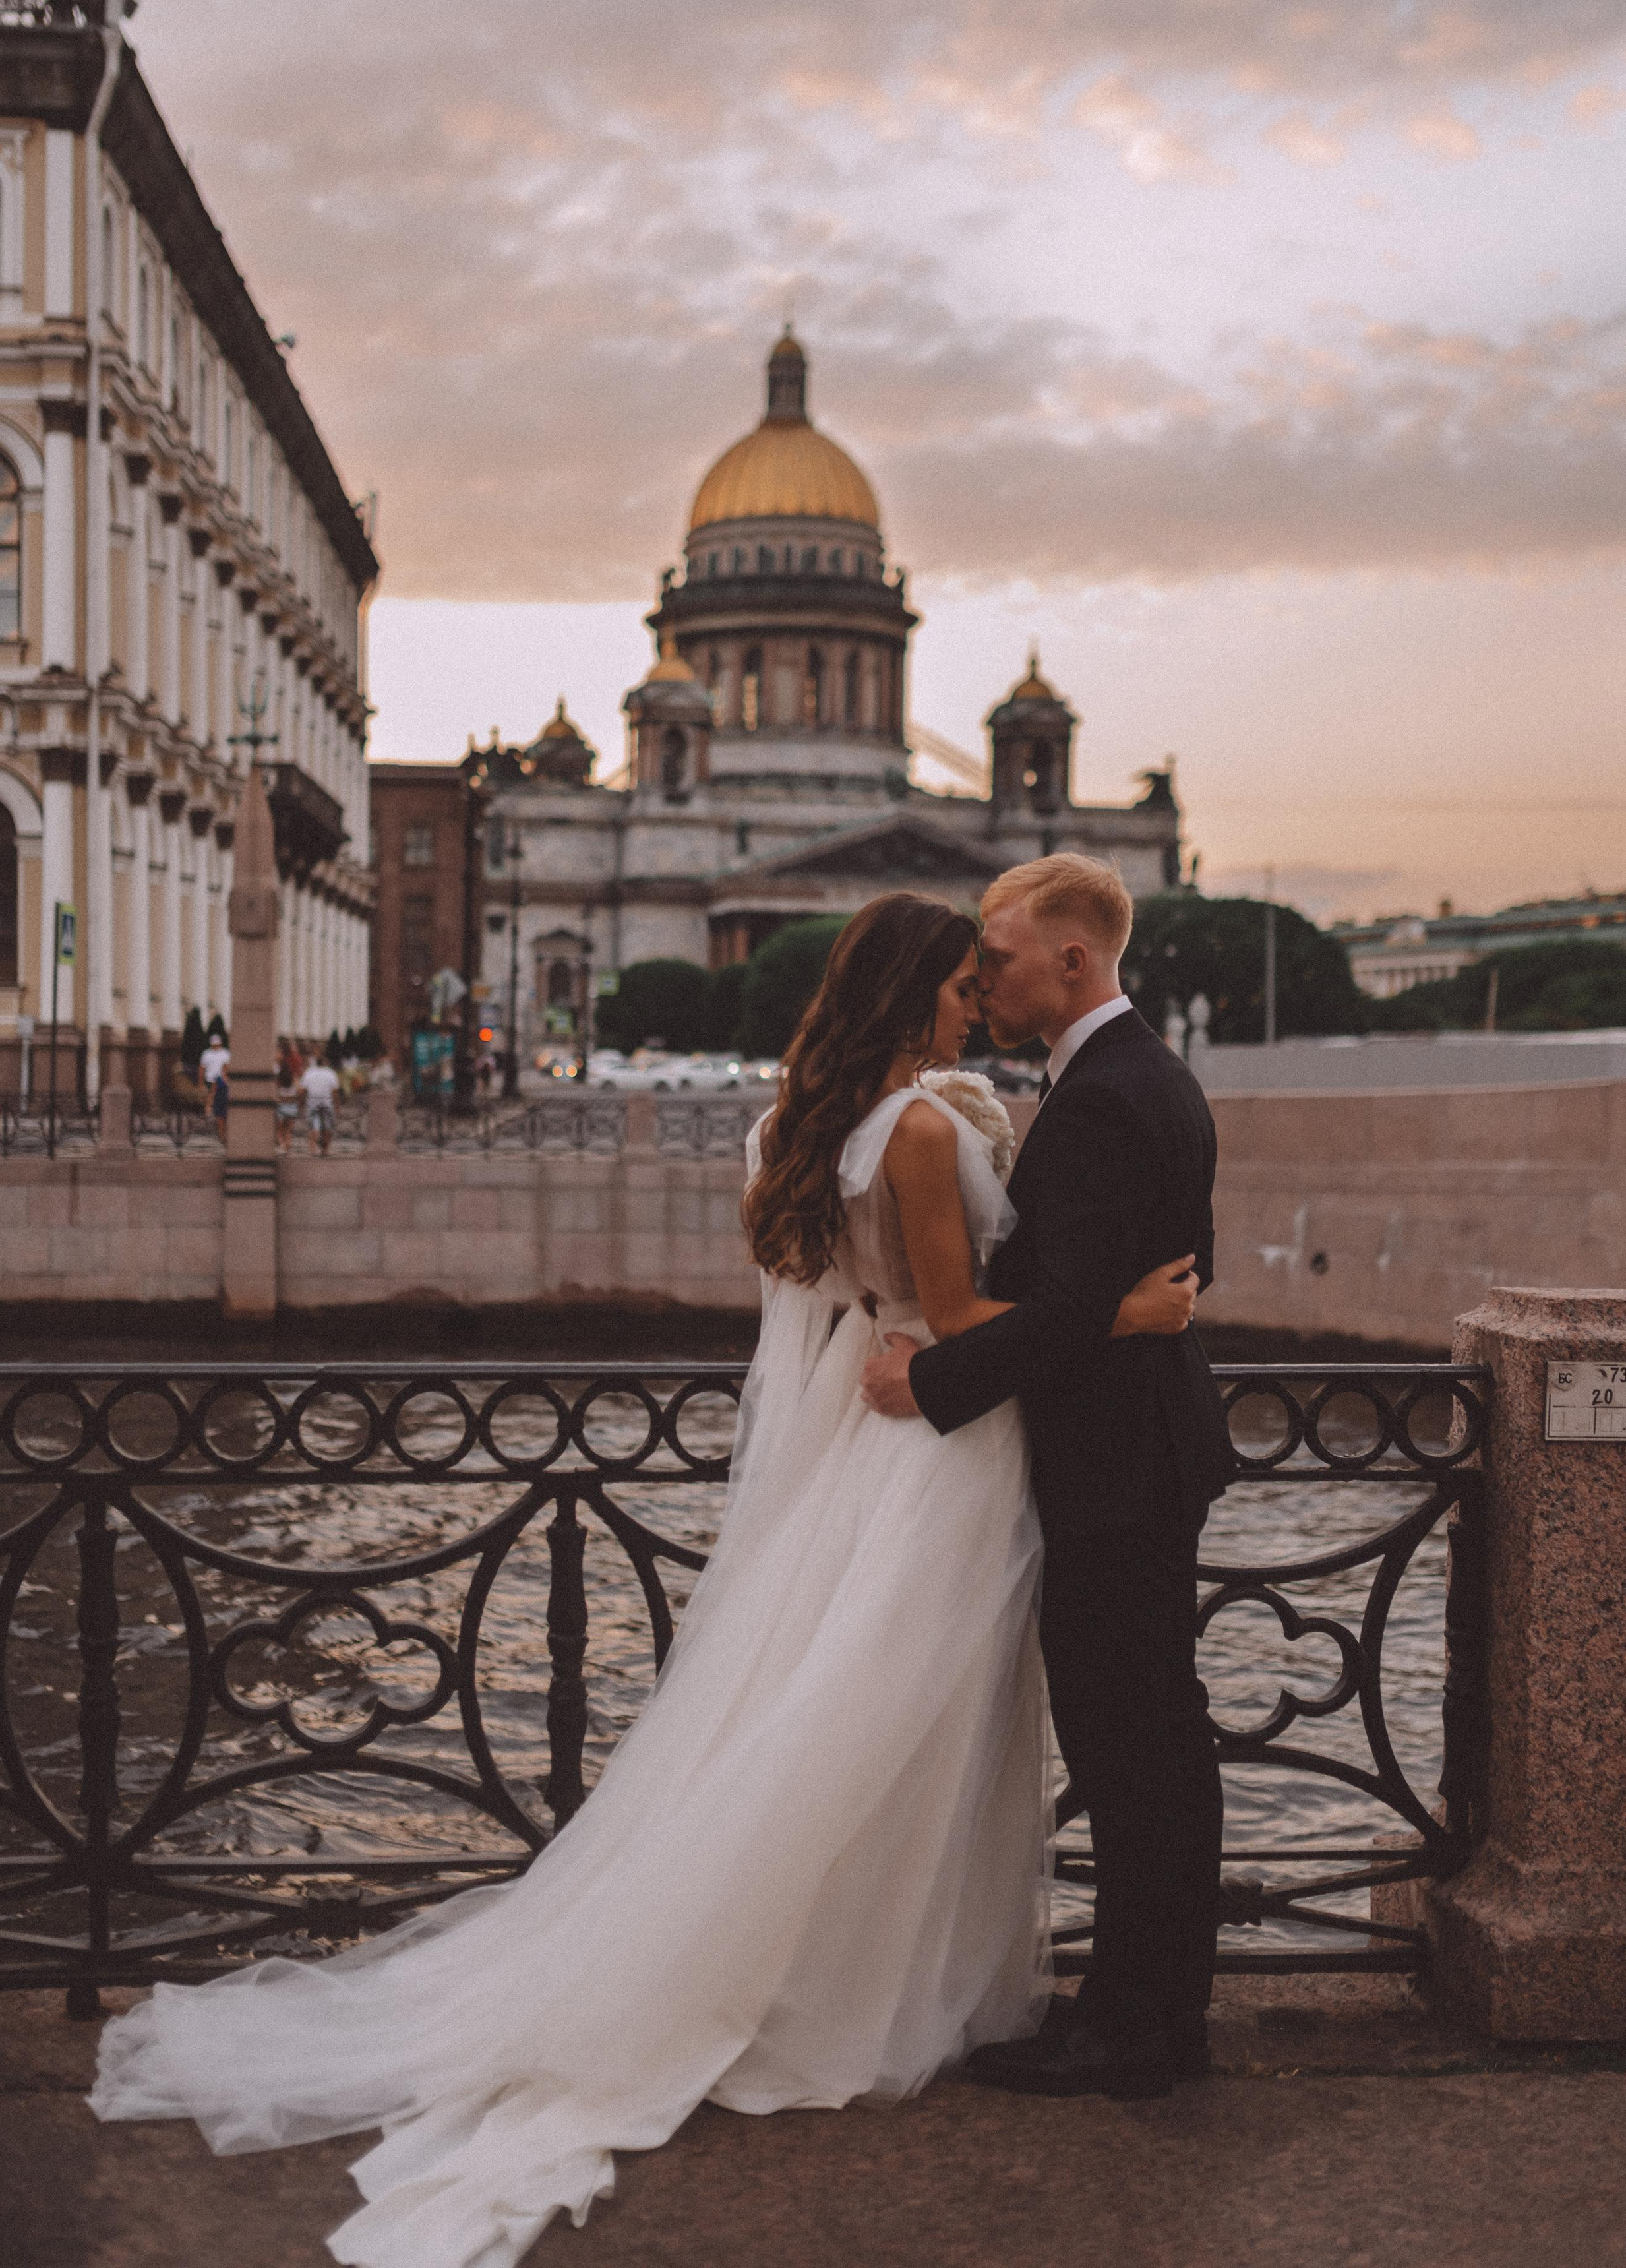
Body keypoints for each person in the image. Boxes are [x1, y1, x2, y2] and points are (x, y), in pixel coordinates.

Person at [89, 890, 1195, 2267]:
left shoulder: (845, 1116)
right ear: (914, 991)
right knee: (890, 1723)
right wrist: (1124, 1309)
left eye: (990, 976)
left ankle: (877, 1974)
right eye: (960, 984)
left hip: (893, 1433)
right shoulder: (915, 1127)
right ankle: (886, 1986)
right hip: (932, 1445)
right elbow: (960, 1316)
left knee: (868, 1714)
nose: (978, 997)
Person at [863, 853, 1237, 2099]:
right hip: (1140, 1448)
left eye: (1005, 954)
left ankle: (1129, 2026)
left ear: (1073, 959)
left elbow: (1071, 1299)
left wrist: (932, 1383)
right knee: (1158, 1743)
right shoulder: (1152, 1078)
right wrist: (1124, 1307)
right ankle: (1156, 2009)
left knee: (1132, 1750)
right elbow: (1177, 1267)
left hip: (1116, 1465)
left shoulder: (1108, 1095)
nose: (985, 975)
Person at [299, 1051, 340, 1155]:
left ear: (316, 1063)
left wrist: (301, 1104)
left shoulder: (309, 1072)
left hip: (312, 1102)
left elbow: (303, 1090)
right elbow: (335, 1092)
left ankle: (313, 1149)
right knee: (328, 1126)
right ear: (326, 1063)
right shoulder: (331, 1073)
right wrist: (337, 1106)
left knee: (313, 1125)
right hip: (327, 1102)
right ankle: (325, 1150)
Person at [198, 1031, 231, 1142]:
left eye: (217, 1044)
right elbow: (202, 1068)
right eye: (214, 1044)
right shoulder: (207, 1054)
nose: (216, 1046)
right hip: (211, 1079)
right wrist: (201, 1082)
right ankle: (208, 1111)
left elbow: (228, 1066)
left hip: (222, 1081)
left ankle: (210, 1112)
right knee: (211, 1096)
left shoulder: (225, 1053)